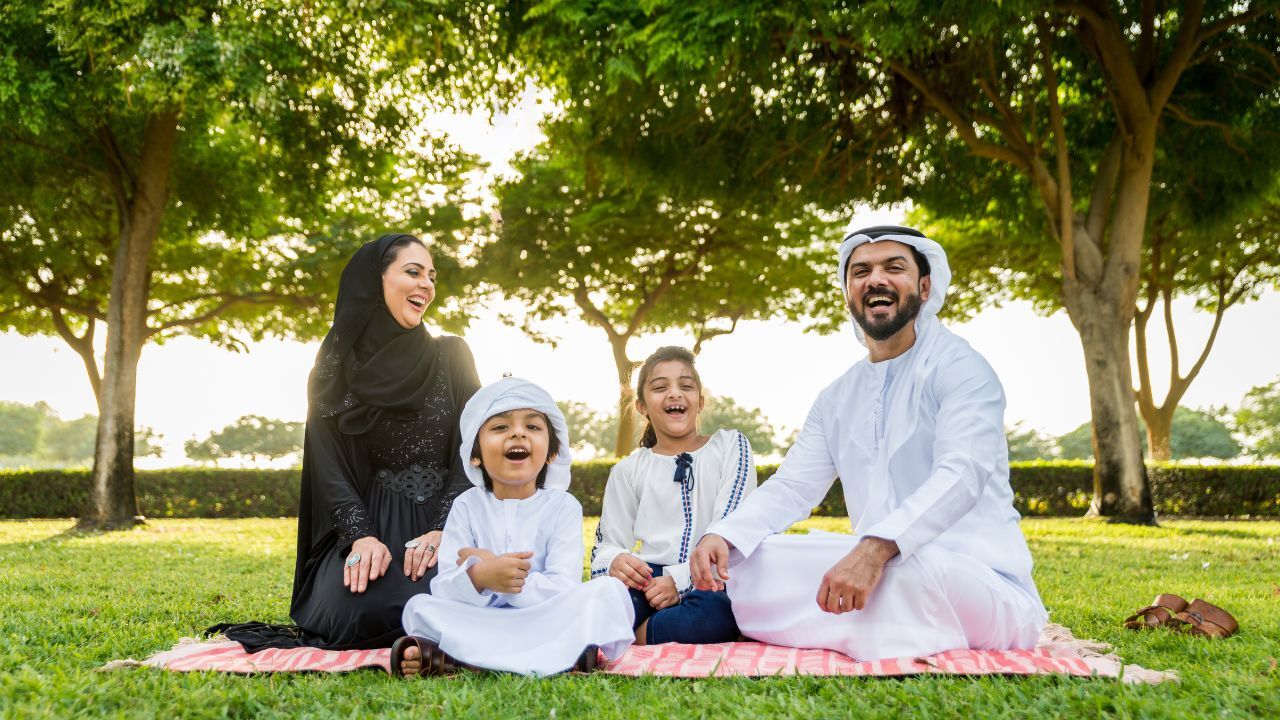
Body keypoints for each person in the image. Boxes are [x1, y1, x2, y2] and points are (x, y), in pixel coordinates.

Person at [690, 225, 1048, 661]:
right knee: (757, 559)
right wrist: (724, 536)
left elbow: (962, 475)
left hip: (980, 583)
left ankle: (842, 625)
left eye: (893, 267)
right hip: (876, 570)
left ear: (924, 285)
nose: (875, 279)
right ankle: (869, 628)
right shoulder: (838, 396)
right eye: (860, 271)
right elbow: (793, 487)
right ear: (848, 293)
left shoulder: (962, 369)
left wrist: (874, 550)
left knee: (918, 568)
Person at [213, 233, 480, 650]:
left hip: (447, 526)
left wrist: (445, 529)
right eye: (413, 272)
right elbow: (328, 466)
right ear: (375, 281)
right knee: (360, 609)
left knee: (454, 596)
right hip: (368, 527)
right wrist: (361, 537)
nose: (427, 285)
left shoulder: (453, 355)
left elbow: (475, 451)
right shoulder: (333, 367)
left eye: (431, 276)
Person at [394, 377, 634, 677]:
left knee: (608, 593)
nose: (518, 433)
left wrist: (507, 580)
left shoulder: (563, 507)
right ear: (475, 454)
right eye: (500, 427)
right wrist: (480, 576)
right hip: (483, 621)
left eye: (532, 427)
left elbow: (564, 586)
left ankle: (457, 658)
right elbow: (444, 589)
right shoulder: (466, 506)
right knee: (420, 606)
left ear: (552, 452)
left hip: (546, 618)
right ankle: (563, 655)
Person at [589, 346, 756, 645]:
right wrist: (616, 561)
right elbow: (606, 546)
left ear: (700, 401)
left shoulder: (731, 447)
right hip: (647, 581)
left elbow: (732, 528)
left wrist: (678, 582)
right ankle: (645, 629)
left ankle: (636, 638)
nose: (675, 394)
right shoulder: (628, 470)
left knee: (712, 615)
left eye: (686, 386)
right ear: (641, 406)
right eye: (660, 387)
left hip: (714, 581)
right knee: (605, 600)